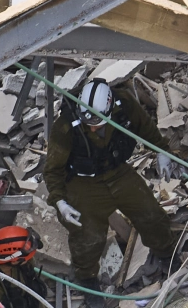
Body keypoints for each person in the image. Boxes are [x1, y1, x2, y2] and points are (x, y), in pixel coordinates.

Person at [42, 72, 174, 292]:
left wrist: (161, 150)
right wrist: (60, 202)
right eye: (90, 124)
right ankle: (87, 279)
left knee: (150, 213)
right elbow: (53, 170)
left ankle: (167, 254)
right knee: (88, 235)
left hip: (117, 172)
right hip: (83, 182)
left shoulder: (124, 104)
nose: (94, 128)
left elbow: (145, 126)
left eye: (99, 123)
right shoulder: (66, 126)